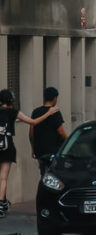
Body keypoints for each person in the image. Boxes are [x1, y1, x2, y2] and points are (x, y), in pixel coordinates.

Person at [0, 88, 60, 217]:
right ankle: (1, 204)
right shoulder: (13, 112)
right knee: (3, 178)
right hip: (7, 147)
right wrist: (48, 113)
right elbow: (33, 122)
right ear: (11, 100)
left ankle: (3, 201)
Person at [30, 87, 67, 176]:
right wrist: (69, 141)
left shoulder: (36, 112)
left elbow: (31, 133)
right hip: (54, 151)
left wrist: (33, 148)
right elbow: (61, 132)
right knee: (54, 175)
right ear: (54, 98)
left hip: (40, 150)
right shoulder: (55, 112)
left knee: (43, 174)